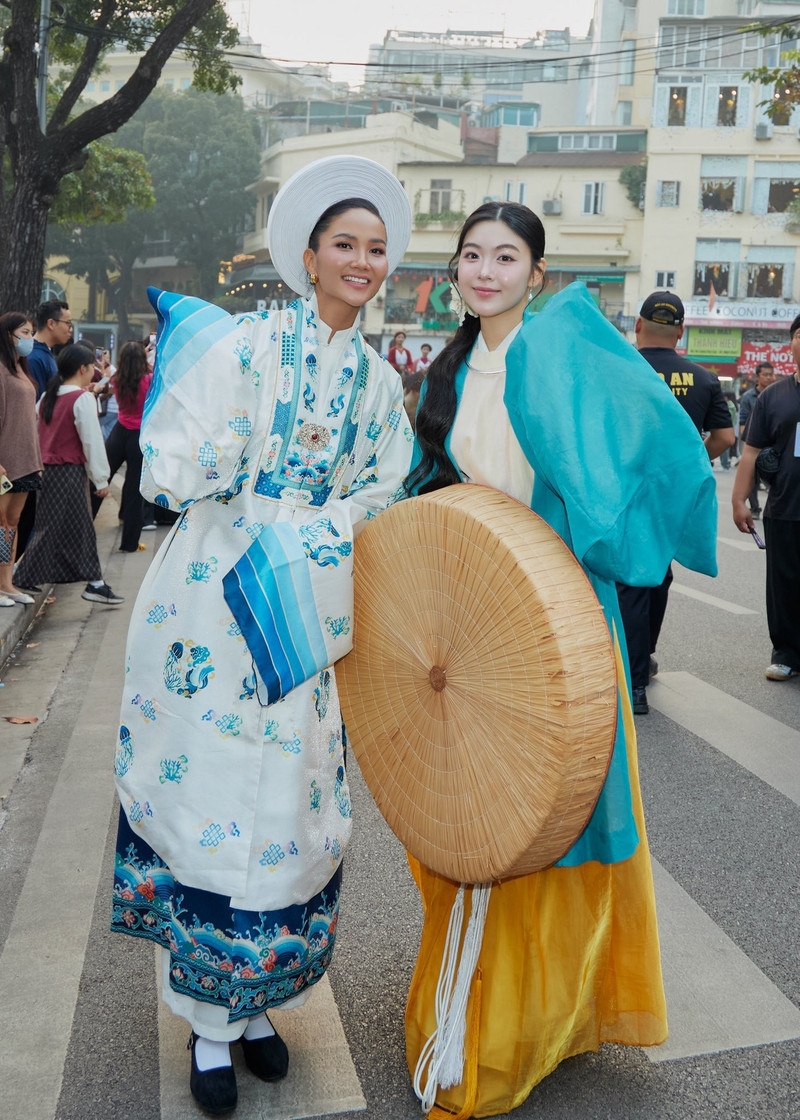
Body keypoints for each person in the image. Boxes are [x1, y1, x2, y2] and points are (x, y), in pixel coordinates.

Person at [109, 155, 414, 1116]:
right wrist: (229, 477)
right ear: (310, 256)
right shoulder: (240, 349)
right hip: (209, 609)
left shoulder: (377, 383)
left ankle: (249, 1009)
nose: (361, 262)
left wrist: (318, 531)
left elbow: (384, 488)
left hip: (301, 614)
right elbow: (166, 467)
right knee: (204, 803)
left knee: (287, 809)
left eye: (376, 249)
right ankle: (204, 1026)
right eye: (345, 245)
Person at [403, 202, 717, 1119]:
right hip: (472, 625)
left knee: (554, 815)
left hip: (563, 620)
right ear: (455, 272)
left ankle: (527, 1018)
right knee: (470, 810)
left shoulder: (568, 355)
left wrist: (600, 518)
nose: (486, 270)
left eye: (507, 256)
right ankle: (472, 996)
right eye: (472, 254)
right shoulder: (446, 371)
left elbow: (646, 454)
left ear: (537, 275)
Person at [616, 290, 734, 714]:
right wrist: (688, 463)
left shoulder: (618, 371)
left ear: (638, 325)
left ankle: (632, 682)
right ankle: (642, 660)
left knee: (629, 580)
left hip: (622, 490)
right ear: (681, 331)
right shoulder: (703, 379)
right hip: (671, 495)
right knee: (658, 576)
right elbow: (725, 438)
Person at [14, 343, 123, 605]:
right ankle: (91, 583)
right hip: (70, 473)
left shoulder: (48, 398)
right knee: (78, 526)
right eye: (90, 368)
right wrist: (100, 478)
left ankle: (26, 574)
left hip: (46, 472)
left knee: (51, 526)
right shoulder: (81, 399)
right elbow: (92, 441)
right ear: (83, 368)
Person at [733, 318, 800, 680]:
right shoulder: (773, 397)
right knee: (784, 583)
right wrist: (739, 499)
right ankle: (786, 652)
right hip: (785, 506)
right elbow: (750, 452)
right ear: (790, 344)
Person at [0, 312, 43, 606]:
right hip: (5, 461)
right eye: (24, 332)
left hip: (27, 458)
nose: (29, 338)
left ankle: (6, 583)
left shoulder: (21, 369)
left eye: (31, 332)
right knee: (1, 523)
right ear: (8, 334)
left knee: (12, 523)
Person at [104, 340, 152, 552]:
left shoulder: (117, 380)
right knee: (134, 491)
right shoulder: (149, 380)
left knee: (100, 480)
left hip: (119, 432)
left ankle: (80, 531)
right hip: (139, 437)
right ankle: (129, 543)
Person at [738, 361, 776, 517]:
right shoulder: (748, 397)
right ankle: (755, 507)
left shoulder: (778, 394)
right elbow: (743, 420)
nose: (769, 378)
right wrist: (746, 445)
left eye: (771, 374)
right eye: (765, 375)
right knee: (752, 475)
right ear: (757, 377)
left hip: (774, 444)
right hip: (754, 441)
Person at [27, 299, 73, 399]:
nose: (70, 329)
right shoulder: (34, 358)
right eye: (68, 323)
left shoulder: (45, 353)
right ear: (51, 324)